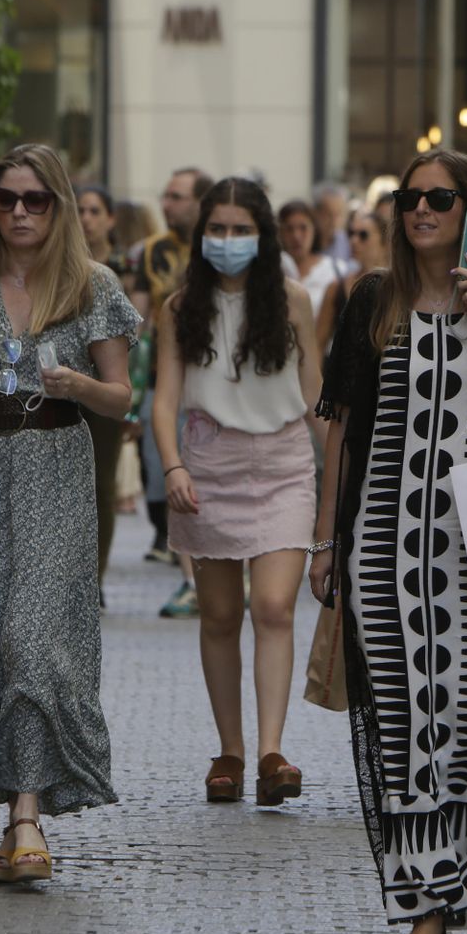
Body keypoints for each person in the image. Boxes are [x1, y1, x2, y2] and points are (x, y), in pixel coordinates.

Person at [311, 149, 467, 934]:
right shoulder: (370, 303)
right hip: (384, 545)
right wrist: (326, 542)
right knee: (403, 724)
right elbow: (341, 433)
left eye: (439, 199)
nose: (421, 211)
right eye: (410, 199)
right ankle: (427, 907)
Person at [0, 143, 138, 882]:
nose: (18, 212)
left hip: (56, 469)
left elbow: (121, 397)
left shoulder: (92, 285)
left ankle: (27, 818)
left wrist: (75, 383)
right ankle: (18, 825)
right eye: (7, 199)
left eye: (34, 200)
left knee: (31, 639)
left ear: (60, 205)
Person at [152, 177, 324, 814]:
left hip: (283, 464)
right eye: (217, 229)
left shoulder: (294, 300)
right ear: (201, 235)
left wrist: (349, 470)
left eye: (241, 229)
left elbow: (316, 399)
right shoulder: (177, 308)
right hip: (206, 465)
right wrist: (172, 467)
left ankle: (271, 752)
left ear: (263, 234)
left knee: (275, 607)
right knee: (220, 617)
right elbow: (164, 399)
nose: (228, 241)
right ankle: (229, 751)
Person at [130, 167, 213, 616]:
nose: (167, 205)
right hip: (169, 379)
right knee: (177, 476)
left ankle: (222, 573)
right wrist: (133, 384)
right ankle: (190, 579)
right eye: (165, 196)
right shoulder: (153, 252)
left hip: (219, 381)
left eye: (177, 197)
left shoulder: (218, 246)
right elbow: (139, 326)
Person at [76, 183, 134, 592]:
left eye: (95, 210)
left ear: (110, 219)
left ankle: (94, 577)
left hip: (107, 385)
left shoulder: (123, 268)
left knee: (101, 482)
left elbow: (137, 335)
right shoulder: (59, 262)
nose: (86, 218)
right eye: (79, 210)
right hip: (65, 384)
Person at [315, 208, 388, 352]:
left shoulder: (401, 285)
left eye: (363, 235)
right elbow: (318, 344)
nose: (354, 241)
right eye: (351, 234)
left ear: (384, 239)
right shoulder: (336, 287)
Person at [279, 198, 350, 321]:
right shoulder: (273, 270)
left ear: (314, 229)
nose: (296, 236)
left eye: (303, 228)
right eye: (289, 229)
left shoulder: (335, 270)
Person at [312, 181, 354, 263]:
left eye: (339, 214)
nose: (334, 221)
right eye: (328, 214)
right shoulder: (305, 241)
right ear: (316, 213)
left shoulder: (349, 242)